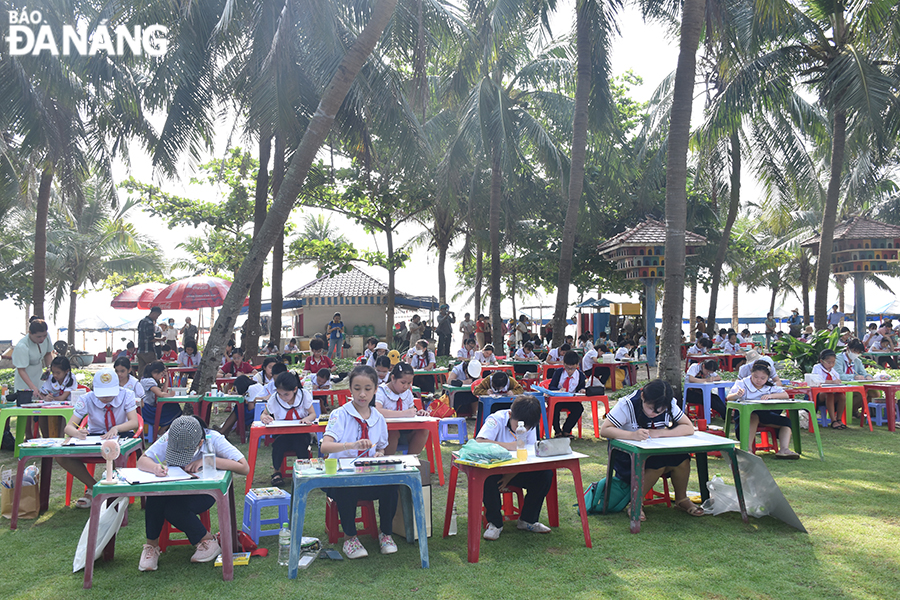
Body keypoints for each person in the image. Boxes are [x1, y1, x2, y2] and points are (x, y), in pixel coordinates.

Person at [137, 415, 249, 571]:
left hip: (204, 493)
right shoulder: (172, 435)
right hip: (175, 488)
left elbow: (244, 467)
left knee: (173, 509)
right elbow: (143, 460)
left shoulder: (213, 438)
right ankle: (151, 547)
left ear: (200, 443)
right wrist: (155, 468)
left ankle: (207, 541)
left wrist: (207, 461)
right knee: (155, 497)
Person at [320, 366, 399, 559]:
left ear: (375, 390)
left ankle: (386, 534)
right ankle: (350, 538)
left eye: (367, 389)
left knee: (391, 485)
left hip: (368, 475)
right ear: (350, 389)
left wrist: (379, 454)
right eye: (357, 388)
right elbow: (325, 447)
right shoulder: (340, 414)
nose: (362, 394)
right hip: (339, 478)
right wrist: (350, 445)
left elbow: (380, 447)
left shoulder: (378, 418)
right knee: (347, 487)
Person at [600, 379, 705, 520]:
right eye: (650, 408)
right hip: (626, 456)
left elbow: (688, 427)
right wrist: (632, 435)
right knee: (658, 463)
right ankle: (636, 503)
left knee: (682, 459)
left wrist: (661, 433)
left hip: (656, 450)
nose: (654, 413)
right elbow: (605, 430)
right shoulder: (627, 404)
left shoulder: (668, 403)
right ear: (643, 397)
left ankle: (681, 499)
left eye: (660, 411)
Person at [59, 368, 140, 508]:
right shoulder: (86, 398)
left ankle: (113, 491)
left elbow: (134, 422)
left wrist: (116, 428)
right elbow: (69, 427)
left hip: (120, 434)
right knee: (61, 456)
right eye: (102, 395)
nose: (106, 398)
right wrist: (77, 433)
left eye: (110, 394)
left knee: (115, 452)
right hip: (95, 437)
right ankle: (94, 487)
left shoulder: (127, 395)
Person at [476, 395, 553, 540]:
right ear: (510, 415)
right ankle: (495, 523)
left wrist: (509, 476)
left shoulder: (530, 425)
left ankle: (528, 520)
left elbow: (529, 455)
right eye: (518, 426)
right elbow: (479, 441)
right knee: (488, 478)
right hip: (495, 468)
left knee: (545, 474)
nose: (523, 430)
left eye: (527, 428)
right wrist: (509, 447)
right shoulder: (496, 419)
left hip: (517, 469)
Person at [726, 361, 799, 459]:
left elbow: (785, 395)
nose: (758, 380)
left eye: (763, 378)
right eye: (755, 377)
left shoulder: (769, 386)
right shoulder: (742, 383)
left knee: (786, 422)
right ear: (751, 373)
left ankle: (784, 449)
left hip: (765, 415)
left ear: (767, 378)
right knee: (753, 416)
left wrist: (771, 396)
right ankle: (747, 450)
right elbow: (729, 397)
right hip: (745, 417)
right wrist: (736, 395)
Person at [261, 372, 315, 486]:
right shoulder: (275, 399)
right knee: (278, 445)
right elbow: (264, 414)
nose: (282, 397)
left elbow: (312, 414)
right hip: (282, 433)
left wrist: (307, 418)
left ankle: (305, 472)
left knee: (301, 445)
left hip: (301, 433)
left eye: (286, 394)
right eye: (280, 394)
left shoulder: (303, 396)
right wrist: (265, 417)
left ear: (295, 389)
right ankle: (276, 473)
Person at [374, 363, 429, 455]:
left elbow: (410, 411)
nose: (406, 386)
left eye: (409, 383)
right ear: (393, 378)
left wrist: (417, 413)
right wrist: (404, 413)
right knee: (393, 432)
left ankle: (411, 461)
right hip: (384, 433)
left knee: (423, 430)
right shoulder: (381, 391)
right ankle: (388, 462)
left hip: (404, 432)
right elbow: (377, 411)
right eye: (402, 383)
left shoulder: (407, 393)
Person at [835, 339, 879, 418]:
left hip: (855, 386)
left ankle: (865, 412)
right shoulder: (838, 359)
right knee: (860, 394)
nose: (856, 354)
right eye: (855, 351)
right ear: (848, 349)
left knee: (875, 393)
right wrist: (854, 377)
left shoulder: (857, 361)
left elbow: (863, 372)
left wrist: (868, 376)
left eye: (859, 352)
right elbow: (839, 375)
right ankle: (850, 411)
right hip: (842, 386)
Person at [12, 319, 54, 400]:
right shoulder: (22, 346)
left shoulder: (47, 337)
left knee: (43, 404)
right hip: (24, 381)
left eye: (44, 335)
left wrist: (49, 368)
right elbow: (21, 370)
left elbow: (48, 354)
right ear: (30, 333)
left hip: (39, 377)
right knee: (27, 406)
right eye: (38, 336)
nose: (42, 339)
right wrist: (33, 387)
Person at [547, 351, 586, 438]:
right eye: (567, 368)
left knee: (579, 409)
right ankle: (557, 431)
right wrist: (558, 390)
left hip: (571, 400)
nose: (569, 371)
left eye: (572, 369)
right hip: (558, 399)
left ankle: (566, 430)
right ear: (564, 364)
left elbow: (581, 387)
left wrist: (581, 390)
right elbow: (551, 386)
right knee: (554, 409)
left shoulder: (580, 375)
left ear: (577, 365)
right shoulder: (559, 372)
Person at [218, 374, 265, 438]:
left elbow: (250, 407)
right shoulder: (255, 386)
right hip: (262, 408)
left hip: (259, 412)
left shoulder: (251, 389)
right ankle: (224, 430)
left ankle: (223, 431)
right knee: (238, 408)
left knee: (238, 408)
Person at [811, 349, 847, 429]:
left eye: (833, 362)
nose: (831, 364)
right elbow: (817, 380)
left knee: (841, 396)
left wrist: (838, 382)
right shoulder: (817, 368)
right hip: (818, 395)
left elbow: (837, 379)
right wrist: (832, 382)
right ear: (822, 361)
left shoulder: (833, 371)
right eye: (829, 362)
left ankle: (839, 419)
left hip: (832, 394)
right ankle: (833, 420)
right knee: (829, 394)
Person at [141, 361, 182, 430]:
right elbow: (160, 394)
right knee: (175, 409)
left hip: (148, 408)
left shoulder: (149, 380)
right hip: (147, 409)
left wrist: (166, 380)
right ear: (156, 372)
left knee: (174, 407)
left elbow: (163, 392)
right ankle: (161, 431)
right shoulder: (148, 381)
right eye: (161, 374)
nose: (161, 376)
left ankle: (162, 430)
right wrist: (170, 395)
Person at [137, 307, 162, 377]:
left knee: (141, 370)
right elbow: (151, 339)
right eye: (157, 315)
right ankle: (154, 385)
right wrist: (161, 339)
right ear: (154, 313)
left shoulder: (141, 321)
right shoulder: (150, 323)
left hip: (140, 350)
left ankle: (141, 384)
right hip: (148, 350)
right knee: (154, 369)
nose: (157, 318)